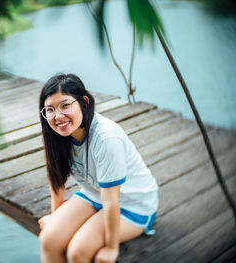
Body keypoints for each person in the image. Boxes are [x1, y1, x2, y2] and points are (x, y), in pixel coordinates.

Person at [38, 73, 158, 263]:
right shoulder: (59, 133)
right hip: (93, 194)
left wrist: (111, 247)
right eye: (50, 109)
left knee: (77, 252)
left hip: (132, 204)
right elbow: (56, 177)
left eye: (65, 105)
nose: (58, 116)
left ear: (84, 102)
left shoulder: (106, 138)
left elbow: (111, 201)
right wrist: (56, 215)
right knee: (48, 239)